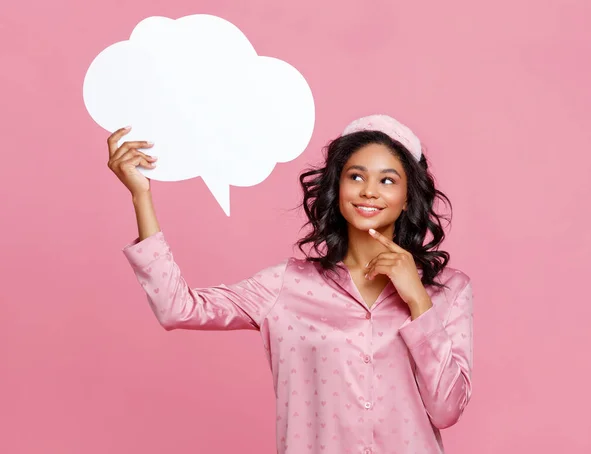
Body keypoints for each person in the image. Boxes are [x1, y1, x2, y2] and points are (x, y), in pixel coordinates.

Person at [107, 114, 473, 454]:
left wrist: (417, 301)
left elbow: (446, 411)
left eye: (387, 180)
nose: (369, 191)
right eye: (356, 176)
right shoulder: (287, 285)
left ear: (408, 195)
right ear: (337, 186)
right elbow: (177, 308)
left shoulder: (449, 290)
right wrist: (142, 195)